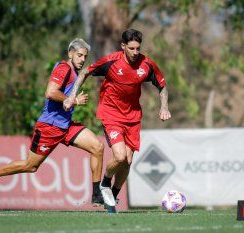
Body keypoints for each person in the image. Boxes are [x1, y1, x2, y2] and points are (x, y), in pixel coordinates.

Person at [0, 38, 106, 207]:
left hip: (66, 125)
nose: (82, 59)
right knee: (30, 166)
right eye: (79, 55)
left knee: (98, 147)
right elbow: (50, 92)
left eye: (84, 57)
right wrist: (73, 100)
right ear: (70, 54)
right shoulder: (63, 68)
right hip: (49, 127)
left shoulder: (75, 72)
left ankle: (96, 195)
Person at [64, 29, 171, 212]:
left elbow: (162, 85)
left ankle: (113, 193)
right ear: (123, 46)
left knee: (127, 160)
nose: (135, 52)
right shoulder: (111, 61)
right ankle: (104, 184)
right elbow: (84, 73)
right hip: (111, 113)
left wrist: (164, 107)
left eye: (138, 48)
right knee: (119, 155)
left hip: (133, 117)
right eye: (131, 48)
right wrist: (71, 97)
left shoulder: (147, 65)